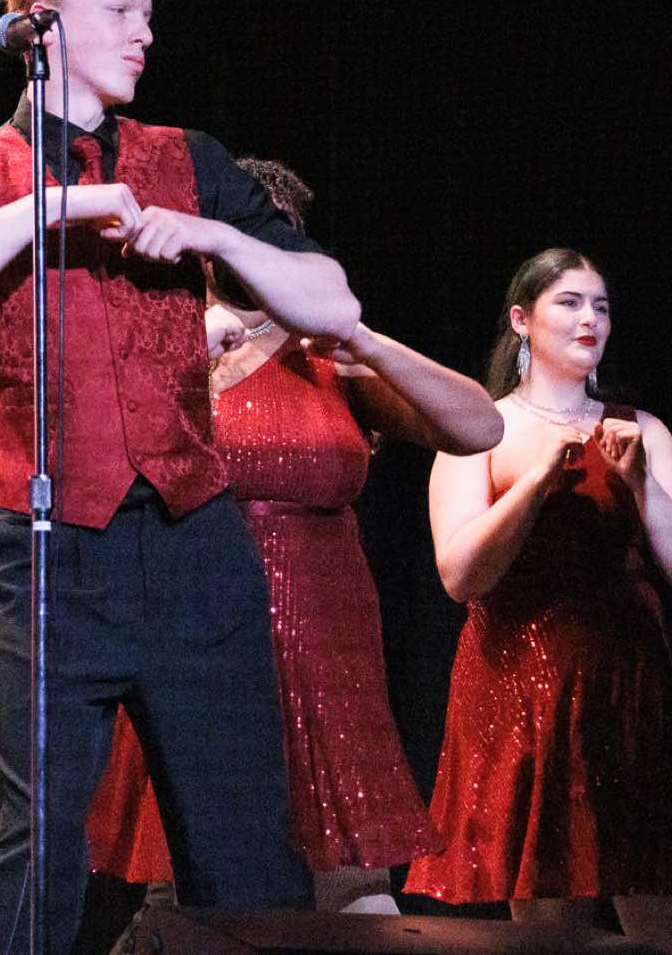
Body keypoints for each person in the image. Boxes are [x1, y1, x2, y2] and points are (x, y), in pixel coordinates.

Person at [0, 0, 361, 953]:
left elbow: (332, 300)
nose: (144, 34)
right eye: (119, 11)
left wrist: (215, 235)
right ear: (41, 24)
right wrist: (48, 209)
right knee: (38, 837)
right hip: (48, 551)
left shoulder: (190, 159)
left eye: (147, 14)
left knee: (240, 844)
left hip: (193, 545)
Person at [84, 158, 502, 916]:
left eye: (279, 233)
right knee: (195, 882)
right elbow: (94, 458)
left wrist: (366, 341)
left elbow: (480, 427)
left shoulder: (323, 353)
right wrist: (189, 356)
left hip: (326, 637)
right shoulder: (161, 339)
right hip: (197, 630)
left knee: (352, 882)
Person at [406, 249, 672, 955]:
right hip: (520, 689)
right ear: (522, 320)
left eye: (601, 306)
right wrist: (536, 480)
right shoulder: (477, 430)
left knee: (664, 903)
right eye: (571, 302)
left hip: (628, 686)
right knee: (548, 929)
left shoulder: (641, 428)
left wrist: (639, 481)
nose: (591, 319)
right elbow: (460, 575)